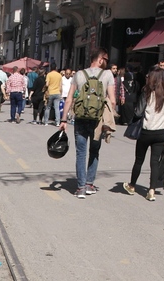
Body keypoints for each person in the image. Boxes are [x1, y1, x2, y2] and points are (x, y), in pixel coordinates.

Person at [59, 48, 115, 199]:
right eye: (106, 60)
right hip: (98, 120)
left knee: (81, 153)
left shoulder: (79, 74)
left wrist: (64, 119)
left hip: (81, 118)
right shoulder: (108, 74)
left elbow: (69, 98)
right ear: (100, 59)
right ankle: (90, 184)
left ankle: (81, 187)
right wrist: (108, 119)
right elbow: (113, 100)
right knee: (94, 151)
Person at [123, 66, 164, 202]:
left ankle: (132, 185)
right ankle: (152, 191)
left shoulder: (146, 92)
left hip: (147, 131)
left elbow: (139, 112)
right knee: (155, 162)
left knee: (139, 159)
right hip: (161, 131)